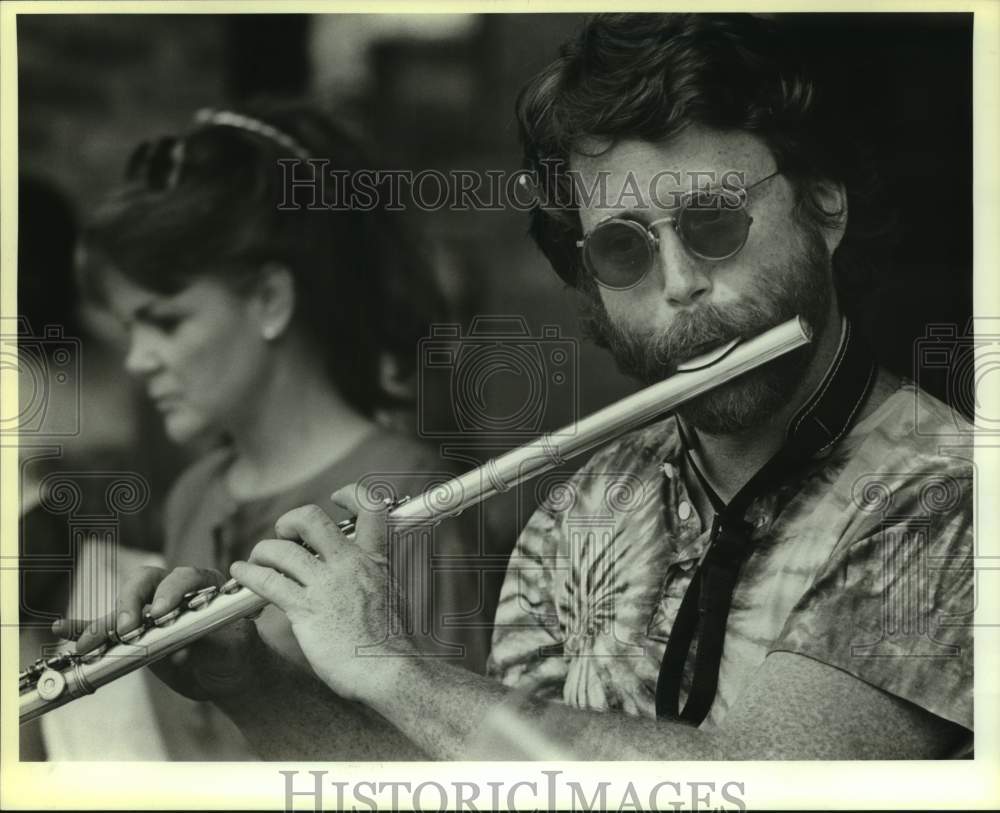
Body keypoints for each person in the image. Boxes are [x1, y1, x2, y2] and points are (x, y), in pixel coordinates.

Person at [64, 14, 972, 760]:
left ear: (824, 206)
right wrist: (256, 693)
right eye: (623, 247)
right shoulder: (585, 508)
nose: (680, 282)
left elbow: (765, 785)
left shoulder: (946, 492)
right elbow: (500, 775)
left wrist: (396, 667)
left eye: (713, 221)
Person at [54, 103, 490, 759]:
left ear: (270, 300)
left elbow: (453, 754)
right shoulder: (195, 492)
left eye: (165, 321)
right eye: (130, 328)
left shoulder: (406, 498)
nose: (140, 358)